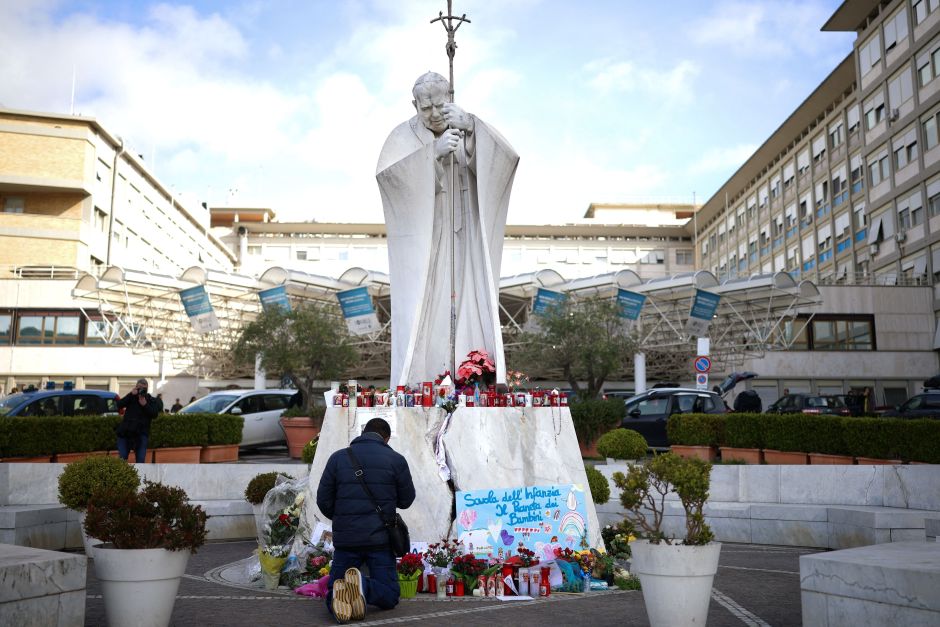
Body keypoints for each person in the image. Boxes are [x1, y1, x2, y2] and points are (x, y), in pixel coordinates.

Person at [376, 71, 519, 387]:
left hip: (465, 237)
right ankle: (425, 376)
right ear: (414, 104)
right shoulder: (401, 137)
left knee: (469, 295)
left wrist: (472, 131)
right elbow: (390, 180)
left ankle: (472, 374)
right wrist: (432, 156)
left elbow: (506, 161)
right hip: (427, 242)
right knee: (427, 305)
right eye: (424, 108)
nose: (434, 113)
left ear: (449, 98)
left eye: (439, 105)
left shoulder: (467, 125)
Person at [316, 418, 415, 623]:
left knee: (334, 593)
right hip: (379, 541)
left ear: (363, 433)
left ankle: (351, 590)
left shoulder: (338, 458)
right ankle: (363, 586)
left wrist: (342, 517)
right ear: (386, 438)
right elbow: (406, 501)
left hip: (346, 540)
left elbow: (323, 500)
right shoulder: (396, 460)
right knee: (389, 596)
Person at [116, 379, 159, 463]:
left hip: (141, 434)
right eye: (139, 388)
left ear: (147, 389)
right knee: (122, 458)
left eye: (144, 389)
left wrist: (145, 405)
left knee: (140, 460)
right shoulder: (131, 397)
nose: (141, 391)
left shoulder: (150, 399)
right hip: (126, 432)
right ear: (136, 387)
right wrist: (130, 394)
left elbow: (155, 414)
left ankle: (140, 476)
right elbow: (119, 405)